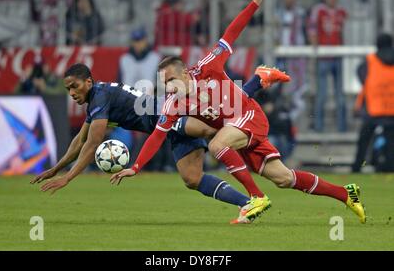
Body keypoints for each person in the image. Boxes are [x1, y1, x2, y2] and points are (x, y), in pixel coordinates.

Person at [111, 0, 366, 225]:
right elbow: (157, 135)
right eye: (163, 84)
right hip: (236, 129)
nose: (167, 88)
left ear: (186, 74)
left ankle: (255, 197)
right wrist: (136, 166)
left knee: (216, 144)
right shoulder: (172, 104)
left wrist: (254, 4)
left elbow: (230, 33)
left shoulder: (207, 66)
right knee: (284, 178)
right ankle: (346, 193)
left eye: (169, 81)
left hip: (249, 116)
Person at [30, 63, 287, 223]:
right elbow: (80, 140)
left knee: (213, 129)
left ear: (88, 82)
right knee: (192, 178)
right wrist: (57, 168)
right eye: (68, 90)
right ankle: (247, 202)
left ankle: (256, 86)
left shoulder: (100, 97)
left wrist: (69, 177)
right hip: (166, 127)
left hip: (167, 116)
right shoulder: (96, 100)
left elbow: (93, 143)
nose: (72, 93)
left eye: (74, 87)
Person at [308, 0, 348, 132]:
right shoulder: (318, 10)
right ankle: (319, 128)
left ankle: (342, 129)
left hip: (338, 56)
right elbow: (312, 28)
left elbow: (347, 31)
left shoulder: (342, 12)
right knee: (322, 95)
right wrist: (315, 48)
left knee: (340, 95)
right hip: (324, 57)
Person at [352, 33, 394, 172]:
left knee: (364, 141)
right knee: (391, 143)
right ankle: (390, 167)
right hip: (392, 110)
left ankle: (357, 167)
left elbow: (362, 77)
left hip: (374, 109)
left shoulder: (370, 60)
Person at [118, 27, 160, 94]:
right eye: (135, 41)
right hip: (128, 99)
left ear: (145, 40)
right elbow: (119, 82)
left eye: (140, 40)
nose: (138, 43)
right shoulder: (124, 59)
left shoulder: (155, 58)